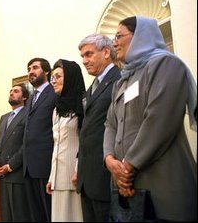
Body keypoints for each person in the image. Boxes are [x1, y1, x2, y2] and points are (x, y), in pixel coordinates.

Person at [103, 16, 197, 221]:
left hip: (163, 183)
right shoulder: (122, 81)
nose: (114, 43)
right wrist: (110, 160)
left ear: (140, 36)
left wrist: (126, 168)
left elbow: (159, 121)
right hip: (127, 186)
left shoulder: (166, 64)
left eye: (119, 36)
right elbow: (110, 123)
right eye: (113, 37)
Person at [75, 34, 121, 221]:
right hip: (87, 176)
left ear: (106, 52)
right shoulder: (92, 86)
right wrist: (80, 168)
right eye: (83, 57)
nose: (85, 61)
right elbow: (87, 129)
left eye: (89, 54)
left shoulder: (119, 79)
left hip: (106, 175)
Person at [46, 59, 85, 222]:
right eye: (52, 77)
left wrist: (78, 170)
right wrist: (51, 177)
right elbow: (56, 144)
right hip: (57, 177)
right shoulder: (57, 110)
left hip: (74, 175)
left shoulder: (83, 104)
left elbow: (85, 141)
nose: (53, 81)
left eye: (58, 76)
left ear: (70, 78)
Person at [23, 58, 57, 222]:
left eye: (35, 67)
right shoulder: (30, 98)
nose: (31, 71)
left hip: (46, 164)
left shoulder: (54, 93)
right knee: (34, 214)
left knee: (49, 212)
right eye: (29, 68)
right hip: (28, 166)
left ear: (46, 72)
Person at [0, 83, 30, 222]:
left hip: (17, 173)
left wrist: (10, 166)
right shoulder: (4, 117)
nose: (12, 93)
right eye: (11, 91)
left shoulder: (28, 114)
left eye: (16, 91)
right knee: (5, 215)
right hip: (1, 174)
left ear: (24, 96)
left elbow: (26, 145)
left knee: (18, 215)